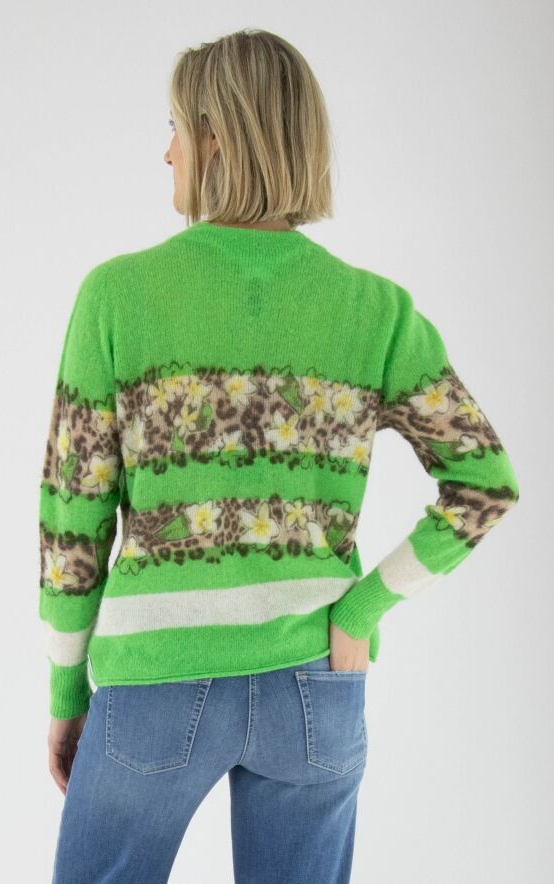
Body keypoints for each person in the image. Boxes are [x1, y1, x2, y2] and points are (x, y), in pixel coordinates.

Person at [38, 28, 520, 884]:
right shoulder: (374, 309)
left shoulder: (116, 295)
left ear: (216, 136)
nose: (167, 152)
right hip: (314, 686)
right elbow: (484, 483)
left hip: (155, 682)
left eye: (176, 128)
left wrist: (65, 691)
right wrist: (359, 613)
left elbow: (73, 522)